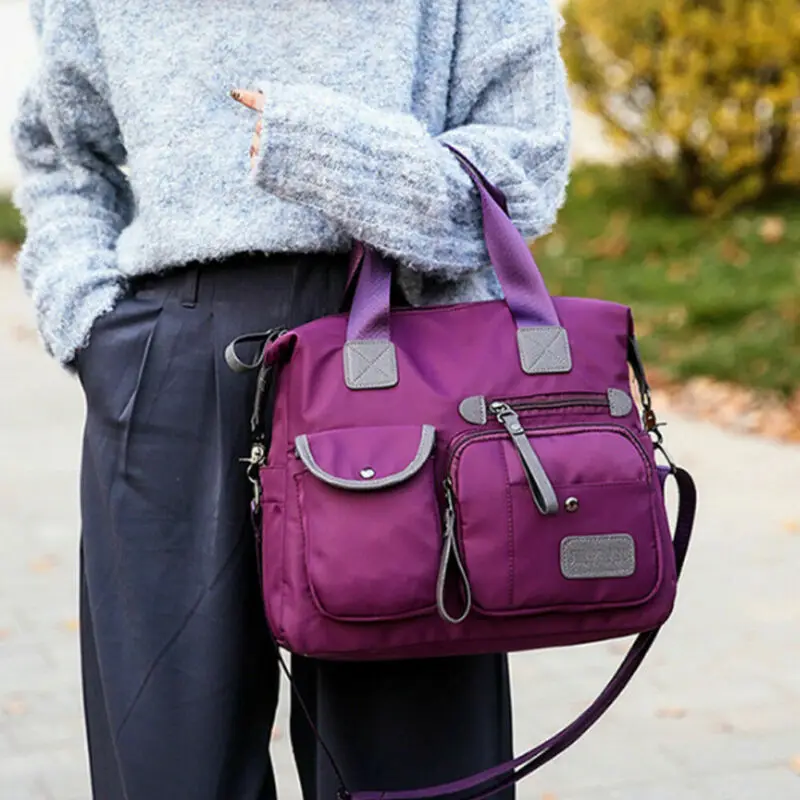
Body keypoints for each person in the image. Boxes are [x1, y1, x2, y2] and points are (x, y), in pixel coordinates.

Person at [10, 0, 572, 798]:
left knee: (418, 773)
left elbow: (524, 167)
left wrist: (332, 153)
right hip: (166, 370)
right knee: (170, 770)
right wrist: (90, 321)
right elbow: (63, 157)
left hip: (403, 359)